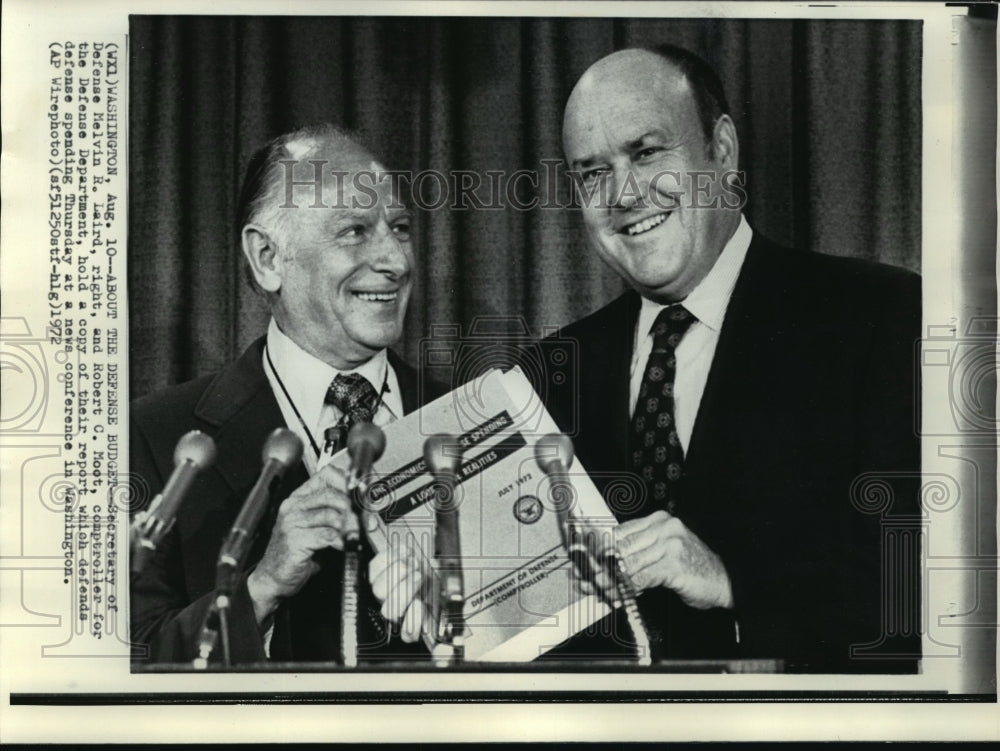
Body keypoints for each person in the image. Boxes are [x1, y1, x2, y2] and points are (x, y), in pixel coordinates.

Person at [382, 45, 922, 673]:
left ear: (722, 151)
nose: (624, 193)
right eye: (592, 172)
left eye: (646, 152)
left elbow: (933, 589)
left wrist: (731, 584)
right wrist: (443, 608)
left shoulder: (881, 316)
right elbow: (513, 634)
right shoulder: (546, 378)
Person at [130, 125, 442, 665]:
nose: (396, 260)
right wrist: (260, 588)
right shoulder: (156, 438)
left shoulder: (475, 416)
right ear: (269, 259)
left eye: (399, 228)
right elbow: (119, 669)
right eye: (354, 231)